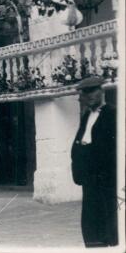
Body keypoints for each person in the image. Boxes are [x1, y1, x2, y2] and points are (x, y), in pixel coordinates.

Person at [70, 76, 117, 247]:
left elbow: (113, 148)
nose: (87, 96)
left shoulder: (113, 114)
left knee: (109, 218)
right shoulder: (86, 116)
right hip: (89, 177)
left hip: (107, 178)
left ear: (101, 91)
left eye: (91, 92)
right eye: (84, 93)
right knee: (91, 220)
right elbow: (79, 141)